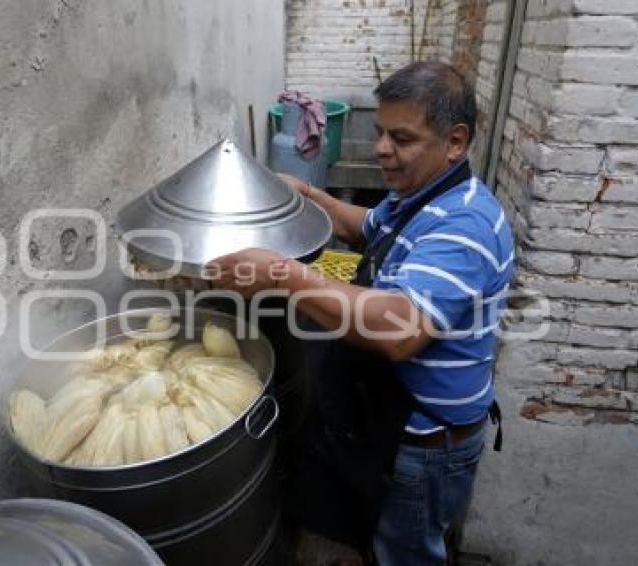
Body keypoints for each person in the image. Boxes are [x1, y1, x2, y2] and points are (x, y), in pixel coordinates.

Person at [207, 61, 514, 564]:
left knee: (408, 552)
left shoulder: (465, 223)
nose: (381, 149)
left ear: (455, 141)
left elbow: (400, 331)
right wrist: (304, 194)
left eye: (402, 138)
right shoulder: (417, 198)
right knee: (379, 533)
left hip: (425, 442)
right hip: (391, 424)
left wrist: (283, 276)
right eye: (379, 133)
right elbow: (365, 226)